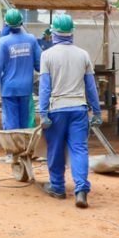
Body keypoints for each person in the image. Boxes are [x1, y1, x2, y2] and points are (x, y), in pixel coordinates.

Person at [38, 14, 101, 208]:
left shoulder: (47, 55)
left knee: (55, 149)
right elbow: (91, 87)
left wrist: (43, 113)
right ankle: (81, 189)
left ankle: (57, 187)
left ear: (54, 32)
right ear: (72, 32)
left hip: (57, 110)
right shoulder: (83, 54)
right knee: (79, 149)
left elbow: (45, 87)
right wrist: (97, 112)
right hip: (78, 110)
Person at [0, 9, 41, 130]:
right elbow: (39, 64)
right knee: (26, 122)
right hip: (26, 89)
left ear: (6, 24)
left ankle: (12, 148)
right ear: (21, 23)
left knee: (11, 123)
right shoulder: (31, 39)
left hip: (9, 89)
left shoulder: (4, 42)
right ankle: (25, 148)